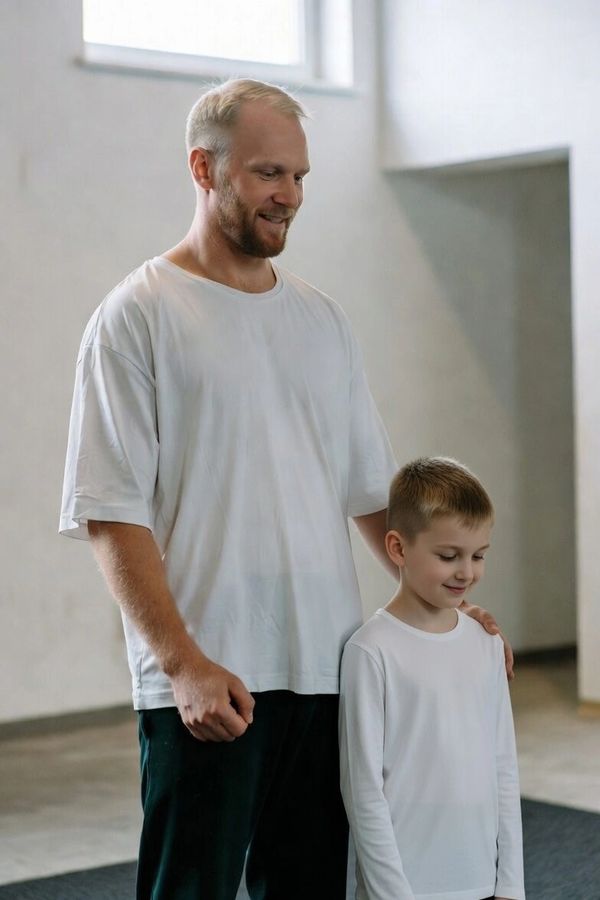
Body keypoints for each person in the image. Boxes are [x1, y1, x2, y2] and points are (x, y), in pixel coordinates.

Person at [59, 80, 510, 900]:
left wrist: (443, 609)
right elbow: (109, 512)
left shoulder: (322, 321)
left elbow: (375, 496)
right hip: (209, 682)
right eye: (270, 174)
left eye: (301, 177)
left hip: (327, 671)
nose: (290, 196)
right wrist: (183, 663)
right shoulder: (136, 317)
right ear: (205, 167)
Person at [339, 457, 525, 900]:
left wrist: (510, 884)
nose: (467, 572)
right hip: (406, 885)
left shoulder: (485, 643)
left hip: (479, 878)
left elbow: (504, 767)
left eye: (478, 556)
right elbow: (362, 789)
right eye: (449, 556)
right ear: (398, 548)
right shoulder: (370, 651)